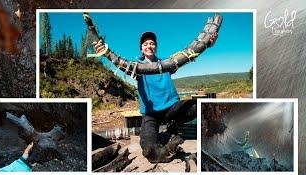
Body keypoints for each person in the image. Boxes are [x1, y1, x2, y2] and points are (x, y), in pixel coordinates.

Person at [93, 31, 217, 163]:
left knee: (198, 104)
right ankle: (167, 150)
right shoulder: (135, 67)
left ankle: (178, 125)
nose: (149, 46)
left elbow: (187, 56)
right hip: (150, 115)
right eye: (145, 44)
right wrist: (106, 52)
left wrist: (206, 44)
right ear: (141, 48)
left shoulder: (167, 63)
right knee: (148, 148)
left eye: (152, 43)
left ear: (156, 47)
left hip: (172, 109)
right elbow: (119, 63)